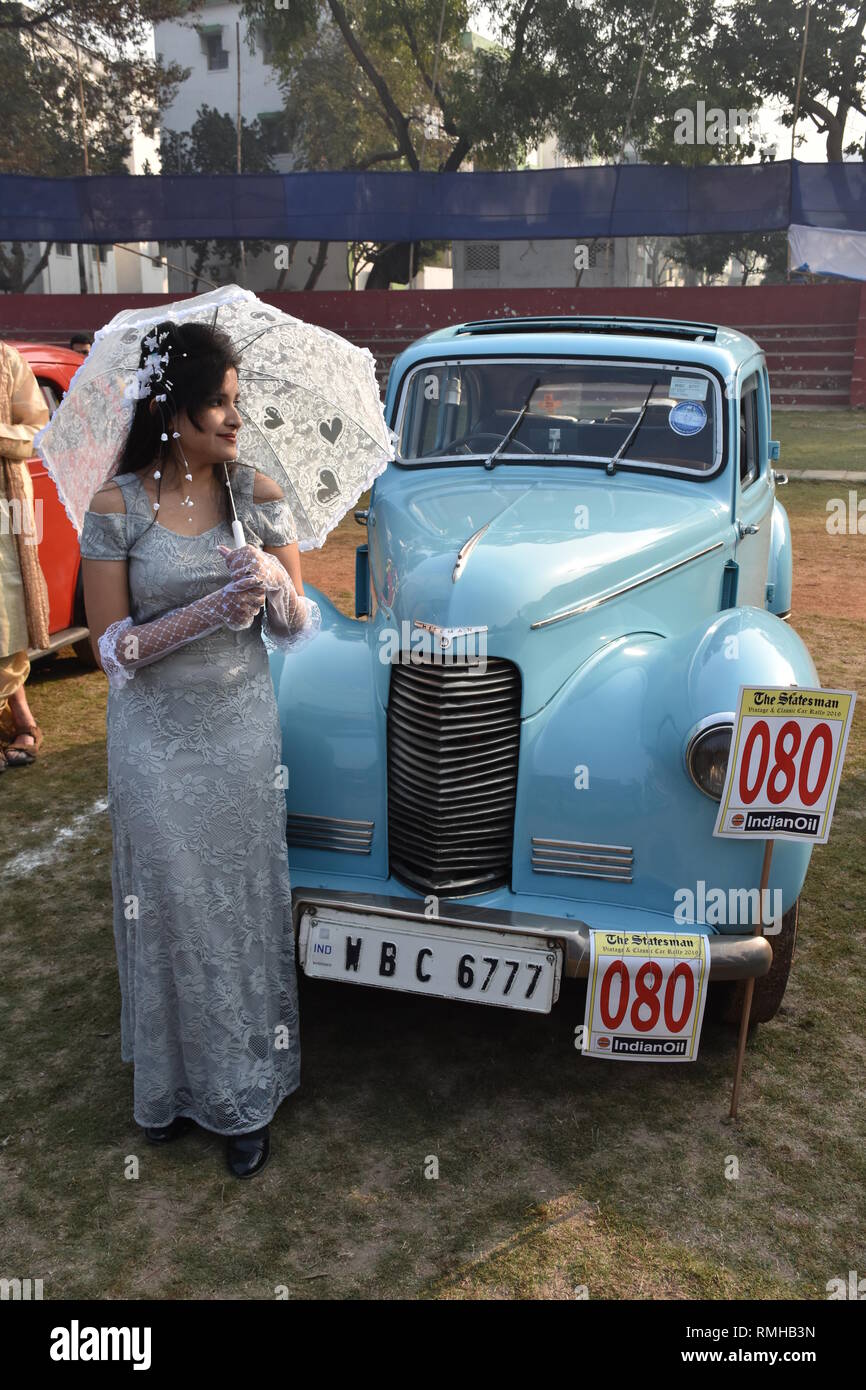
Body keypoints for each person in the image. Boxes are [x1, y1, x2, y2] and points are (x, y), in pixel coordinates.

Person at [79, 320, 321, 1178]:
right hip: (153, 741)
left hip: (241, 736)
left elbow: (299, 629)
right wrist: (206, 611)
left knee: (237, 905)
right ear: (171, 412)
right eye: (217, 403)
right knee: (169, 902)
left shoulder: (257, 492)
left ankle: (245, 1092)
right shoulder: (117, 506)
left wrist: (276, 585)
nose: (233, 418)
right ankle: (172, 1089)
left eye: (236, 401)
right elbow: (111, 651)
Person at [0, 340, 50, 772]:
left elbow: (38, 428)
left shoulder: (6, 360)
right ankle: (19, 718)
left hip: (6, 504)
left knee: (7, 610)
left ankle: (22, 719)